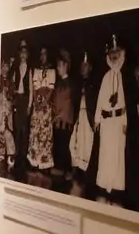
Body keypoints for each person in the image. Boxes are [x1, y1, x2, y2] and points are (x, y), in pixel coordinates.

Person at [93, 35, 128, 205]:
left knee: (117, 154)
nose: (114, 58)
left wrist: (126, 122)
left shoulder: (124, 76)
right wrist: (97, 120)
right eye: (111, 55)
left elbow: (127, 101)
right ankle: (104, 184)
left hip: (119, 121)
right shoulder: (106, 77)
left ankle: (116, 186)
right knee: (106, 153)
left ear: (121, 56)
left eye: (117, 55)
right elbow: (100, 99)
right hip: (107, 122)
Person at [70, 52, 98, 198]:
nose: (83, 68)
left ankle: (86, 175)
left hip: (88, 117)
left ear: (90, 67)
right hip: (79, 117)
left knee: (87, 145)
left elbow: (94, 103)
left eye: (86, 65)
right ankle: (78, 172)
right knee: (76, 144)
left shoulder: (93, 83)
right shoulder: (78, 83)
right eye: (82, 65)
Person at [28, 47, 56, 171]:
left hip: (46, 105)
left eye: (44, 54)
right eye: (41, 54)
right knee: (35, 131)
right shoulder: (36, 70)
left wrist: (44, 103)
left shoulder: (52, 71)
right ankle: (34, 159)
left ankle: (44, 161)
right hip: (37, 104)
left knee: (44, 132)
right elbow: (34, 88)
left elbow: (50, 90)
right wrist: (35, 102)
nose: (42, 56)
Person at [52, 50, 76, 182]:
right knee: (58, 144)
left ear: (66, 65)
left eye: (60, 65)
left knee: (65, 145)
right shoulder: (59, 83)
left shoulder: (70, 84)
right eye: (57, 66)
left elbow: (68, 103)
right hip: (57, 120)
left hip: (65, 121)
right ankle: (59, 168)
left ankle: (67, 170)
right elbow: (55, 100)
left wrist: (59, 115)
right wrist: (54, 114)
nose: (58, 68)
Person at [11, 40, 32, 177]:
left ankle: (24, 154)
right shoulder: (16, 69)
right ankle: (17, 153)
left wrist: (30, 105)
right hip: (18, 100)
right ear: (19, 54)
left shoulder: (29, 69)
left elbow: (30, 88)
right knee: (17, 127)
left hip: (25, 99)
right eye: (21, 53)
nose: (23, 55)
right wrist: (13, 101)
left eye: (25, 53)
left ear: (27, 55)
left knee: (25, 128)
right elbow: (13, 86)